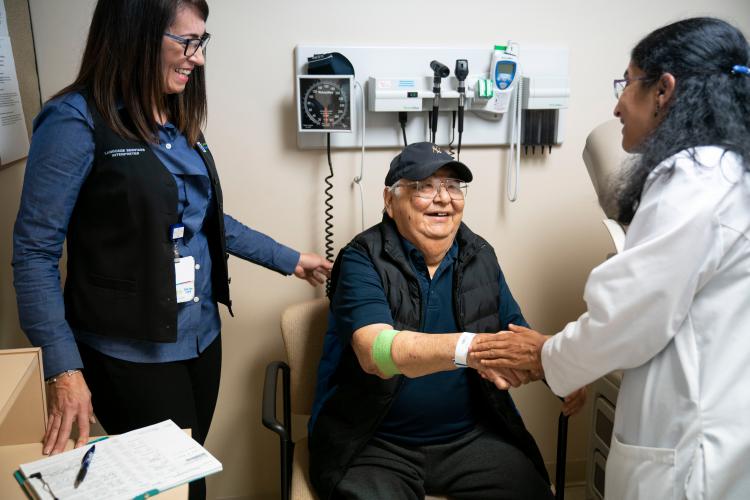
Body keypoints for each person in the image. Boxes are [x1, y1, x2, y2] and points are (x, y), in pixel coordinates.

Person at [11, 1, 330, 498]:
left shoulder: (176, 114)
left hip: (200, 338)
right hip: (130, 353)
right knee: (170, 488)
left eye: (200, 42)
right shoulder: (74, 122)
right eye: (185, 42)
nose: (197, 58)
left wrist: (289, 259)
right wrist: (63, 368)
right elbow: (33, 252)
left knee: (191, 469)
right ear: (134, 35)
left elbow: (205, 219)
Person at [470, 17, 750, 500]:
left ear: (664, 90)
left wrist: (546, 356)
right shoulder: (729, 172)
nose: (618, 105)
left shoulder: (695, 178)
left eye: (626, 84)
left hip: (690, 453)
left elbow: (628, 315)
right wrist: (553, 358)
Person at [308, 142, 586, 500]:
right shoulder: (362, 259)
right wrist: (471, 349)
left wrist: (556, 365)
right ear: (390, 201)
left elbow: (517, 335)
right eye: (425, 186)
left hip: (468, 437)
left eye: (453, 186)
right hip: (374, 442)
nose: (443, 198)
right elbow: (375, 352)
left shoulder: (479, 255)